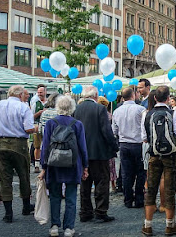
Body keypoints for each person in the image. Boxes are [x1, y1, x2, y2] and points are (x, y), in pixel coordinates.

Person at [38, 96, 89, 237]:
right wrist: (85, 166)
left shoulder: (50, 123)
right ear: (72, 108)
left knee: (54, 196)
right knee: (71, 198)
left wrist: (43, 167)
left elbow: (45, 147)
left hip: (54, 164)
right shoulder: (77, 124)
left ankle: (54, 226)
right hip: (73, 164)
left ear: (57, 107)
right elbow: (83, 147)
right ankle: (68, 228)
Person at [0, 85, 35, 223]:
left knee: (5, 178)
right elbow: (29, 128)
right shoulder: (24, 107)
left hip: (1, 145)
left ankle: (8, 214)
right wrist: (36, 128)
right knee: (24, 176)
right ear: (20, 95)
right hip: (19, 145)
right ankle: (25, 207)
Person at [141, 86, 176, 236]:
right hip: (171, 156)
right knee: (170, 190)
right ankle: (170, 225)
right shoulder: (173, 113)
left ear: (154, 98)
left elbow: (144, 138)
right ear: (168, 98)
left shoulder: (146, 114)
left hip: (153, 155)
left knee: (151, 189)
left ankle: (148, 225)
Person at [74, 86, 118, 223]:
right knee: (102, 182)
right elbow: (106, 131)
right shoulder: (100, 109)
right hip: (99, 152)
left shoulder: (77, 109)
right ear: (96, 95)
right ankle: (100, 211)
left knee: (85, 183)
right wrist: (114, 146)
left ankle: (85, 211)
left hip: (83, 152)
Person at [112, 87, 146, 208]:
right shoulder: (141, 109)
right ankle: (139, 199)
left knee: (126, 173)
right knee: (141, 173)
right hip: (138, 144)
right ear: (133, 96)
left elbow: (114, 130)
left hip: (124, 144)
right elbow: (144, 127)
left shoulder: (117, 111)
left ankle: (127, 199)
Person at [97, 96, 117, 192]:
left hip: (100, 144)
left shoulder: (98, 114)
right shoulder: (109, 115)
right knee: (111, 166)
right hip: (108, 144)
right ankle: (112, 184)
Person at [32, 85, 47, 173]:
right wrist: (39, 113)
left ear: (45, 92)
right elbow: (31, 117)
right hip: (37, 126)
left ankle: (44, 163)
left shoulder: (49, 103)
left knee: (45, 145)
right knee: (37, 146)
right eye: (38, 92)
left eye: (41, 92)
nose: (39, 94)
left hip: (46, 126)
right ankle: (37, 165)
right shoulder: (35, 103)